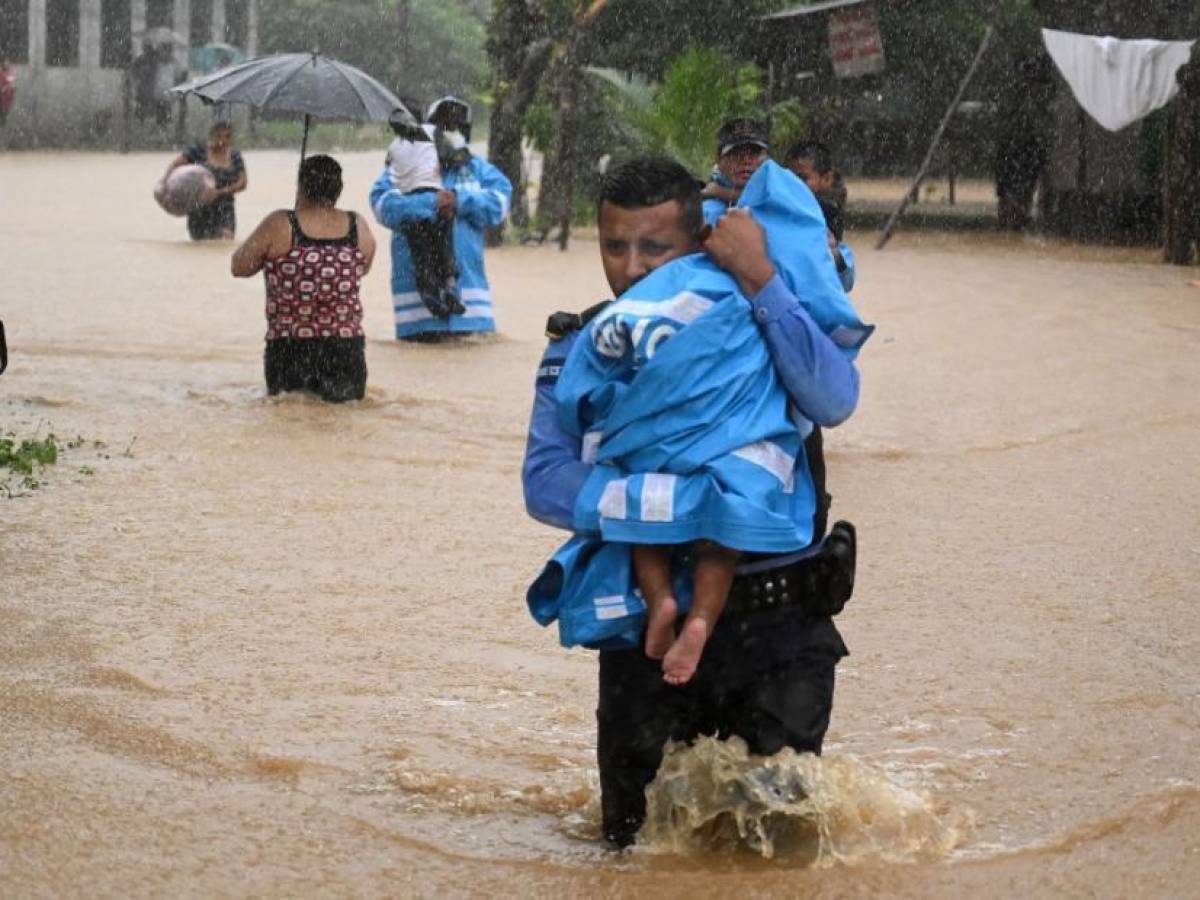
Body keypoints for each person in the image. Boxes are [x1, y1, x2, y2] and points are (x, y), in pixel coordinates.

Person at [522, 156, 869, 847]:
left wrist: (763, 280)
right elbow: (545, 480)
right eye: (614, 247)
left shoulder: (760, 318)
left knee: (783, 851)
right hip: (643, 641)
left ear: (700, 243)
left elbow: (833, 399)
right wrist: (684, 501)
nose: (632, 269)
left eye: (655, 248)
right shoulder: (589, 347)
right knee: (637, 846)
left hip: (779, 629)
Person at [230, 154, 376, 403]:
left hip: (290, 349)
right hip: (346, 350)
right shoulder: (357, 226)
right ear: (338, 189)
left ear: (301, 185)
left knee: (291, 424)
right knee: (345, 426)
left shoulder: (280, 223)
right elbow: (362, 268)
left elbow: (239, 266)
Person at [369, 96, 512, 342]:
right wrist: (431, 203)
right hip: (416, 312)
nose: (450, 131)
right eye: (444, 124)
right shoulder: (403, 167)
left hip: (472, 311)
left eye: (457, 125)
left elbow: (500, 203)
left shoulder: (478, 169)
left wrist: (459, 200)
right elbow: (382, 205)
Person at [385, 109, 463, 319]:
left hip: (410, 204)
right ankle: (450, 287)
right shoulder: (429, 131)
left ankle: (429, 292)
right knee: (444, 246)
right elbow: (451, 157)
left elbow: (389, 170)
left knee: (421, 254)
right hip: (436, 199)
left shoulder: (393, 146)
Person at [785, 139, 856, 292]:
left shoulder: (828, 214)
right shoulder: (779, 209)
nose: (794, 183)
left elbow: (845, 281)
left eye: (803, 178)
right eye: (789, 178)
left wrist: (834, 254)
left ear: (826, 179)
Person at [162, 122, 247, 240]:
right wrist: (165, 185)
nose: (223, 141)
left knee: (225, 241)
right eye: (219, 136)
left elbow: (242, 182)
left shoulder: (235, 156)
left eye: (227, 136)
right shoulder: (198, 151)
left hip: (225, 209)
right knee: (199, 244)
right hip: (198, 208)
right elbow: (175, 165)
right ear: (211, 136)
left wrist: (219, 192)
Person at [700, 117, 771, 227]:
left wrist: (722, 192)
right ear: (718, 160)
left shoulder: (784, 198)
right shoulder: (706, 214)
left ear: (767, 158)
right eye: (736, 154)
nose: (746, 160)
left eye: (754, 153)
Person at [0, 59, 15, 148]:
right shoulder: (1, 74)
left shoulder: (11, 73)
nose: (7, 64)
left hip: (6, 103)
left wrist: (11, 88)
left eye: (8, 62)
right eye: (5, 62)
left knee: (3, 124)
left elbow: (13, 86)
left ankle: (2, 144)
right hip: (1, 102)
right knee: (2, 124)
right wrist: (6, 88)